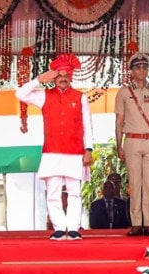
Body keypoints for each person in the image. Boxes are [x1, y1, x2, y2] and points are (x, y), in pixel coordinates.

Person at [15, 53, 93, 241]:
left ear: (71, 76)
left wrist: (88, 149)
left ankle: (73, 228)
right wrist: (39, 79)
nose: (63, 78)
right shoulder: (43, 96)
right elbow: (20, 94)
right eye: (59, 75)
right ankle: (59, 227)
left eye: (66, 74)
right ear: (53, 78)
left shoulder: (80, 97)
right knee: (53, 192)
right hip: (52, 151)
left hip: (75, 151)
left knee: (75, 192)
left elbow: (87, 124)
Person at [115, 53, 149, 236]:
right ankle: (136, 223)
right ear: (131, 71)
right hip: (131, 139)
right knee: (135, 183)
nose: (142, 70)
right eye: (138, 67)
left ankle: (148, 223)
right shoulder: (124, 92)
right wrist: (119, 144)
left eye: (145, 67)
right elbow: (119, 120)